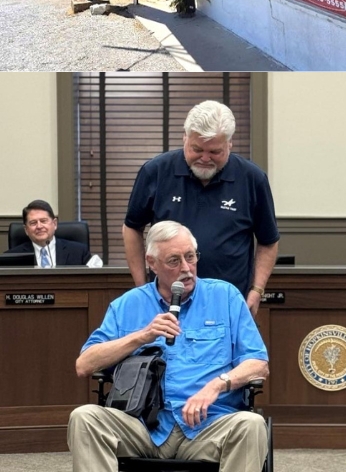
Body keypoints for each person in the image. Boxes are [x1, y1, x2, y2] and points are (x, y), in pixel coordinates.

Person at [68, 221, 269, 472]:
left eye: (191, 257)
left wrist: (217, 385)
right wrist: (141, 336)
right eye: (174, 261)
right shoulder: (128, 305)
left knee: (251, 424)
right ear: (151, 263)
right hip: (142, 426)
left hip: (209, 426)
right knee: (84, 418)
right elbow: (84, 365)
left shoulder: (225, 297)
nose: (186, 268)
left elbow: (258, 363)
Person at [123, 101, 280, 314]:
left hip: (229, 305)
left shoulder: (253, 179)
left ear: (229, 144)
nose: (205, 158)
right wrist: (143, 288)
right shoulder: (156, 172)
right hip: (166, 302)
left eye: (215, 152)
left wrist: (256, 290)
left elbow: (268, 241)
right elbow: (132, 227)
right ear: (184, 138)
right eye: (197, 149)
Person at [4, 200, 102, 267]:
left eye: (43, 221)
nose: (39, 226)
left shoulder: (79, 252)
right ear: (26, 229)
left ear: (54, 224)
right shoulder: (11, 257)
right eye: (33, 223)